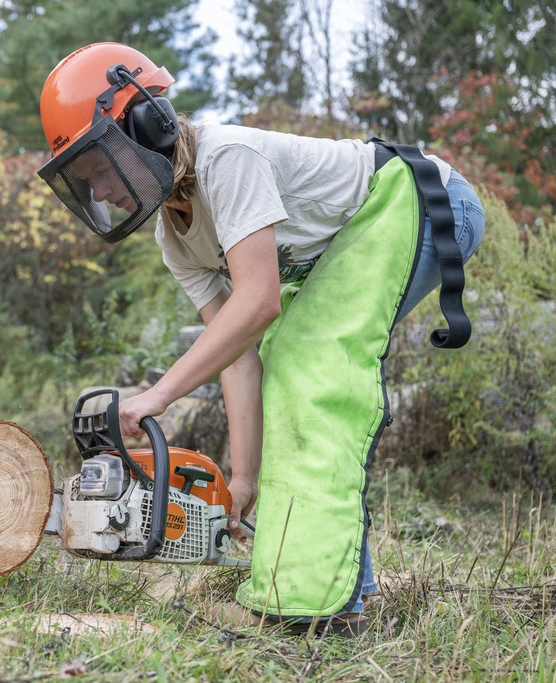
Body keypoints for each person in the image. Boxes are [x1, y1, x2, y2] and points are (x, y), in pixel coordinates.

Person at [37, 42, 485, 634]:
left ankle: (311, 610)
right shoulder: (174, 239)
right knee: (287, 360)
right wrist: (242, 478)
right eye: (84, 180)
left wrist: (158, 396)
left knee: (313, 367)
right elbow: (240, 350)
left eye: (98, 169)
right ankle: (340, 586)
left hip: (421, 201)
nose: (98, 191)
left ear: (148, 124)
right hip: (353, 239)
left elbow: (258, 301)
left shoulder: (228, 160)